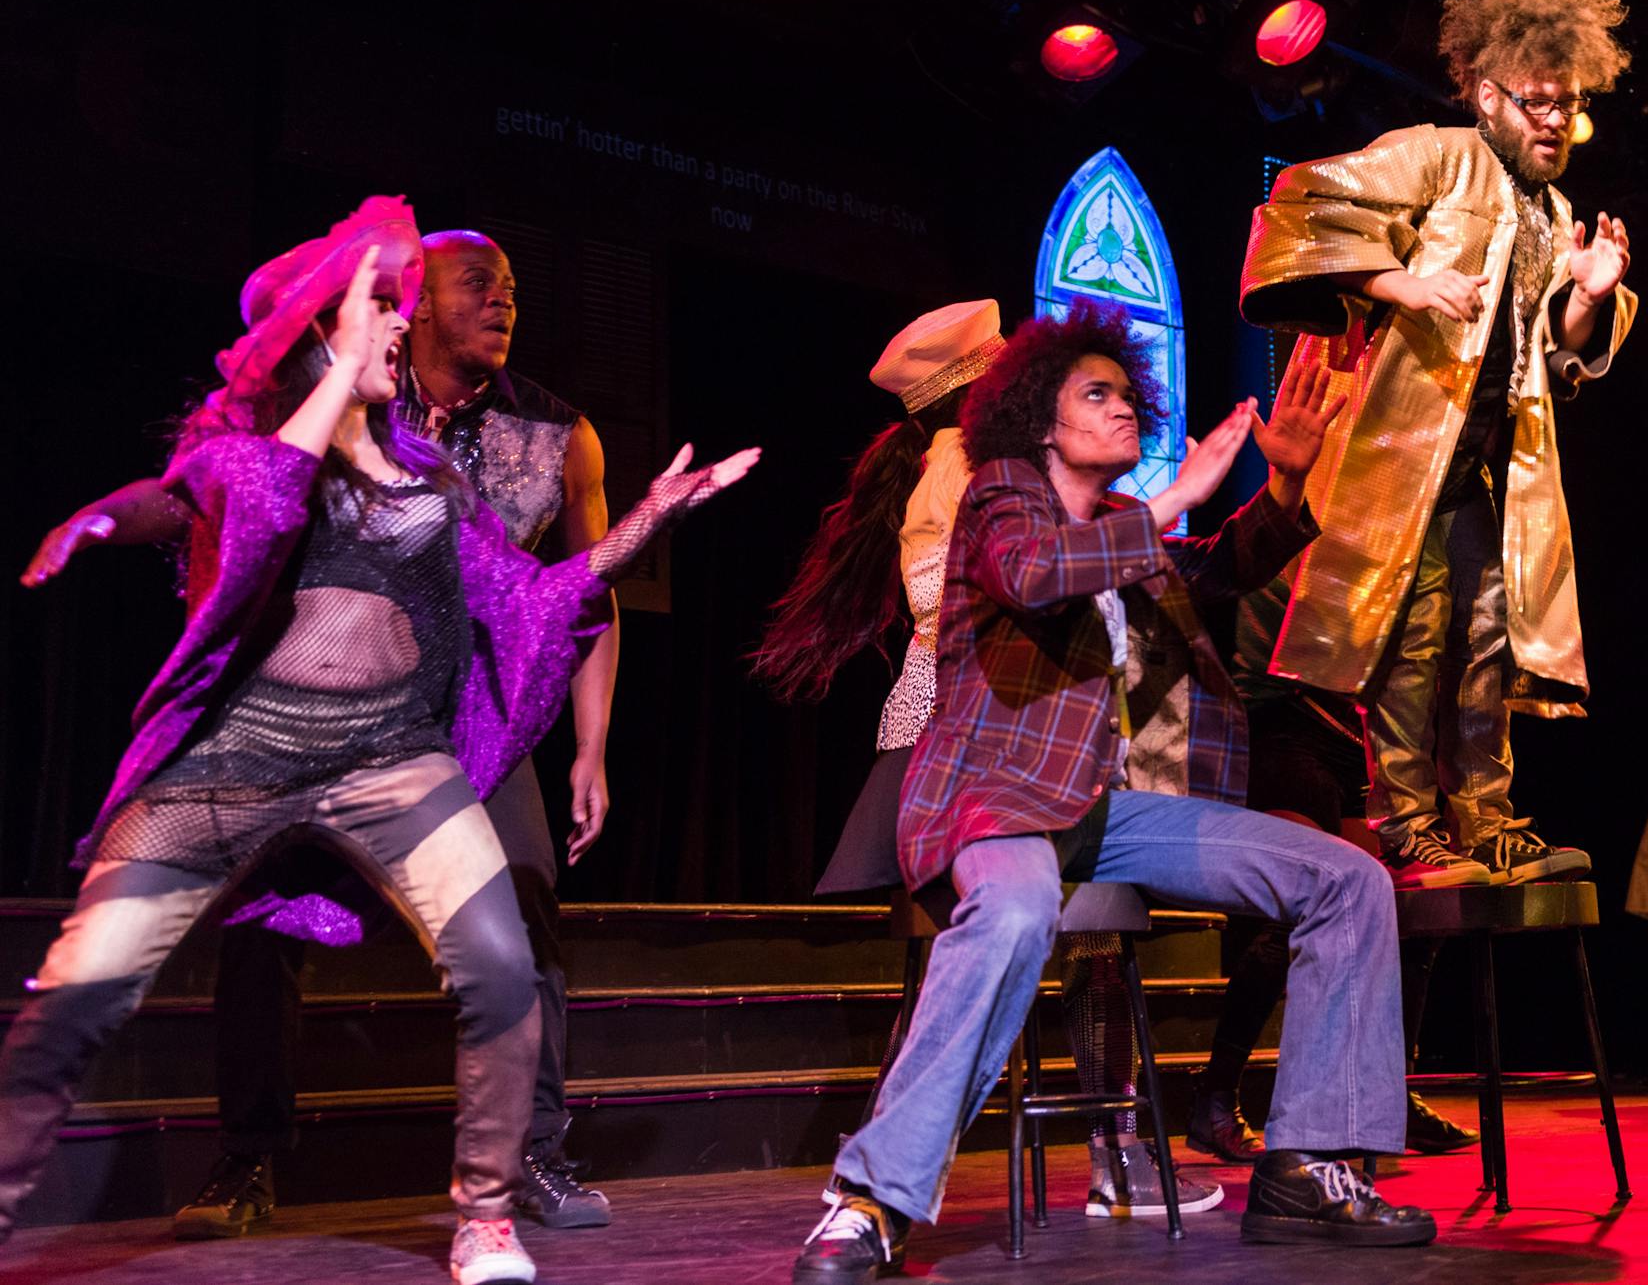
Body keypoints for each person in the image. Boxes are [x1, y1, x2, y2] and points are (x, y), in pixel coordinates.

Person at [0, 198, 757, 1284]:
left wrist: (649, 518)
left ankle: (487, 1212)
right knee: (83, 984)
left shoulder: (432, 471)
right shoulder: (247, 451)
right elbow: (198, 501)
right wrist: (99, 519)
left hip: (394, 757)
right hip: (238, 761)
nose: (398, 328)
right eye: (378, 310)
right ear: (319, 332)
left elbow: (534, 595)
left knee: (500, 961)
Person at [795, 305, 1434, 1284]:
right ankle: (872, 1202)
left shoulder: (1112, 532)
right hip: (992, 797)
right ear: (1041, 422)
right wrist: (1172, 494)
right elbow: (1032, 572)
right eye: (1096, 392)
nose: (1122, 405)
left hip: (1099, 809)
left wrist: (1291, 479)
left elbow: (1214, 567)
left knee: (1346, 877)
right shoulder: (999, 497)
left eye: (1127, 392)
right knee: (1010, 908)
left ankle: (1309, 1162)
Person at [750, 299, 1218, 1218]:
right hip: (976, 722)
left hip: (1003, 716)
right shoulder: (971, 472)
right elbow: (997, 584)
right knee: (1015, 951)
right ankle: (1068, 1156)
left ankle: (925, 1172)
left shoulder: (950, 468)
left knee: (1003, 954)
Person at [1238, 0, 1637, 889]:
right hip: (1395, 456)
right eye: (1536, 101)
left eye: (1566, 104)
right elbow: (1301, 201)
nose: (1554, 120)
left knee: (1488, 636)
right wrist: (1402, 282)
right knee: (1410, 640)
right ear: (1491, 94)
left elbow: (1555, 350)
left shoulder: (1556, 210)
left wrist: (1588, 298)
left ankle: (1487, 819)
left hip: (1486, 468)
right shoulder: (1434, 155)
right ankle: (1407, 825)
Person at [1186, 571, 1480, 1163]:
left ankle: (1388, 1094)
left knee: (1408, 911)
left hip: (1361, 741)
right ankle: (1215, 1096)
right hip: (1286, 730)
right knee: (1299, 907)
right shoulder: (1302, 525)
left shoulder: (1397, 539)